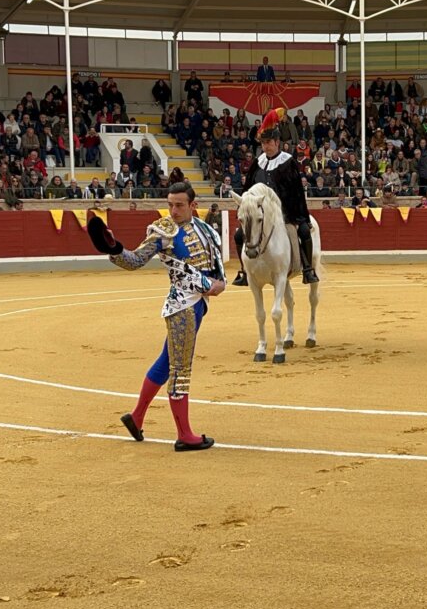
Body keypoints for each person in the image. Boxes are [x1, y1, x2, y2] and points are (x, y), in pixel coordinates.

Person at [86, 181, 224, 452]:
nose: (173, 210)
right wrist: (113, 248)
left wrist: (219, 283)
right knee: (180, 369)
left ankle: (136, 418)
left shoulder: (205, 228)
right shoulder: (163, 232)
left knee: (166, 362)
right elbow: (136, 260)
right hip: (182, 307)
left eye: (179, 205)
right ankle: (185, 434)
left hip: (198, 303)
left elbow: (215, 263)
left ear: (193, 205)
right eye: (170, 204)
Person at [232, 107, 318, 286]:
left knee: (303, 231)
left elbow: (296, 191)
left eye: (269, 142)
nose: (266, 146)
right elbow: (247, 189)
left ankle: (308, 269)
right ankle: (245, 272)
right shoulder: (258, 163)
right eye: (263, 143)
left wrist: (299, 216)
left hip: (285, 212)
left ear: (277, 142)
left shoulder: (288, 162)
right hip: (261, 214)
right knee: (240, 236)